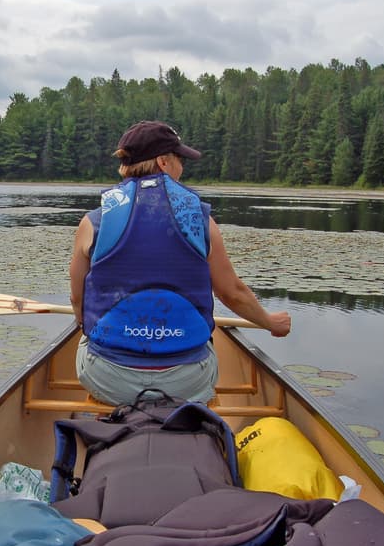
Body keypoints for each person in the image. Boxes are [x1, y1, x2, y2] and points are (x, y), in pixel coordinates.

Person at [69, 120, 291, 406]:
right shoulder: (199, 219)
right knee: (205, 350)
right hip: (186, 382)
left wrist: (84, 320)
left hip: (109, 379)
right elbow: (230, 292)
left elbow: (78, 299)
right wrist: (270, 322)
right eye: (179, 160)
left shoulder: (93, 222)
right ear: (163, 161)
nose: (182, 168)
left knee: (88, 341)